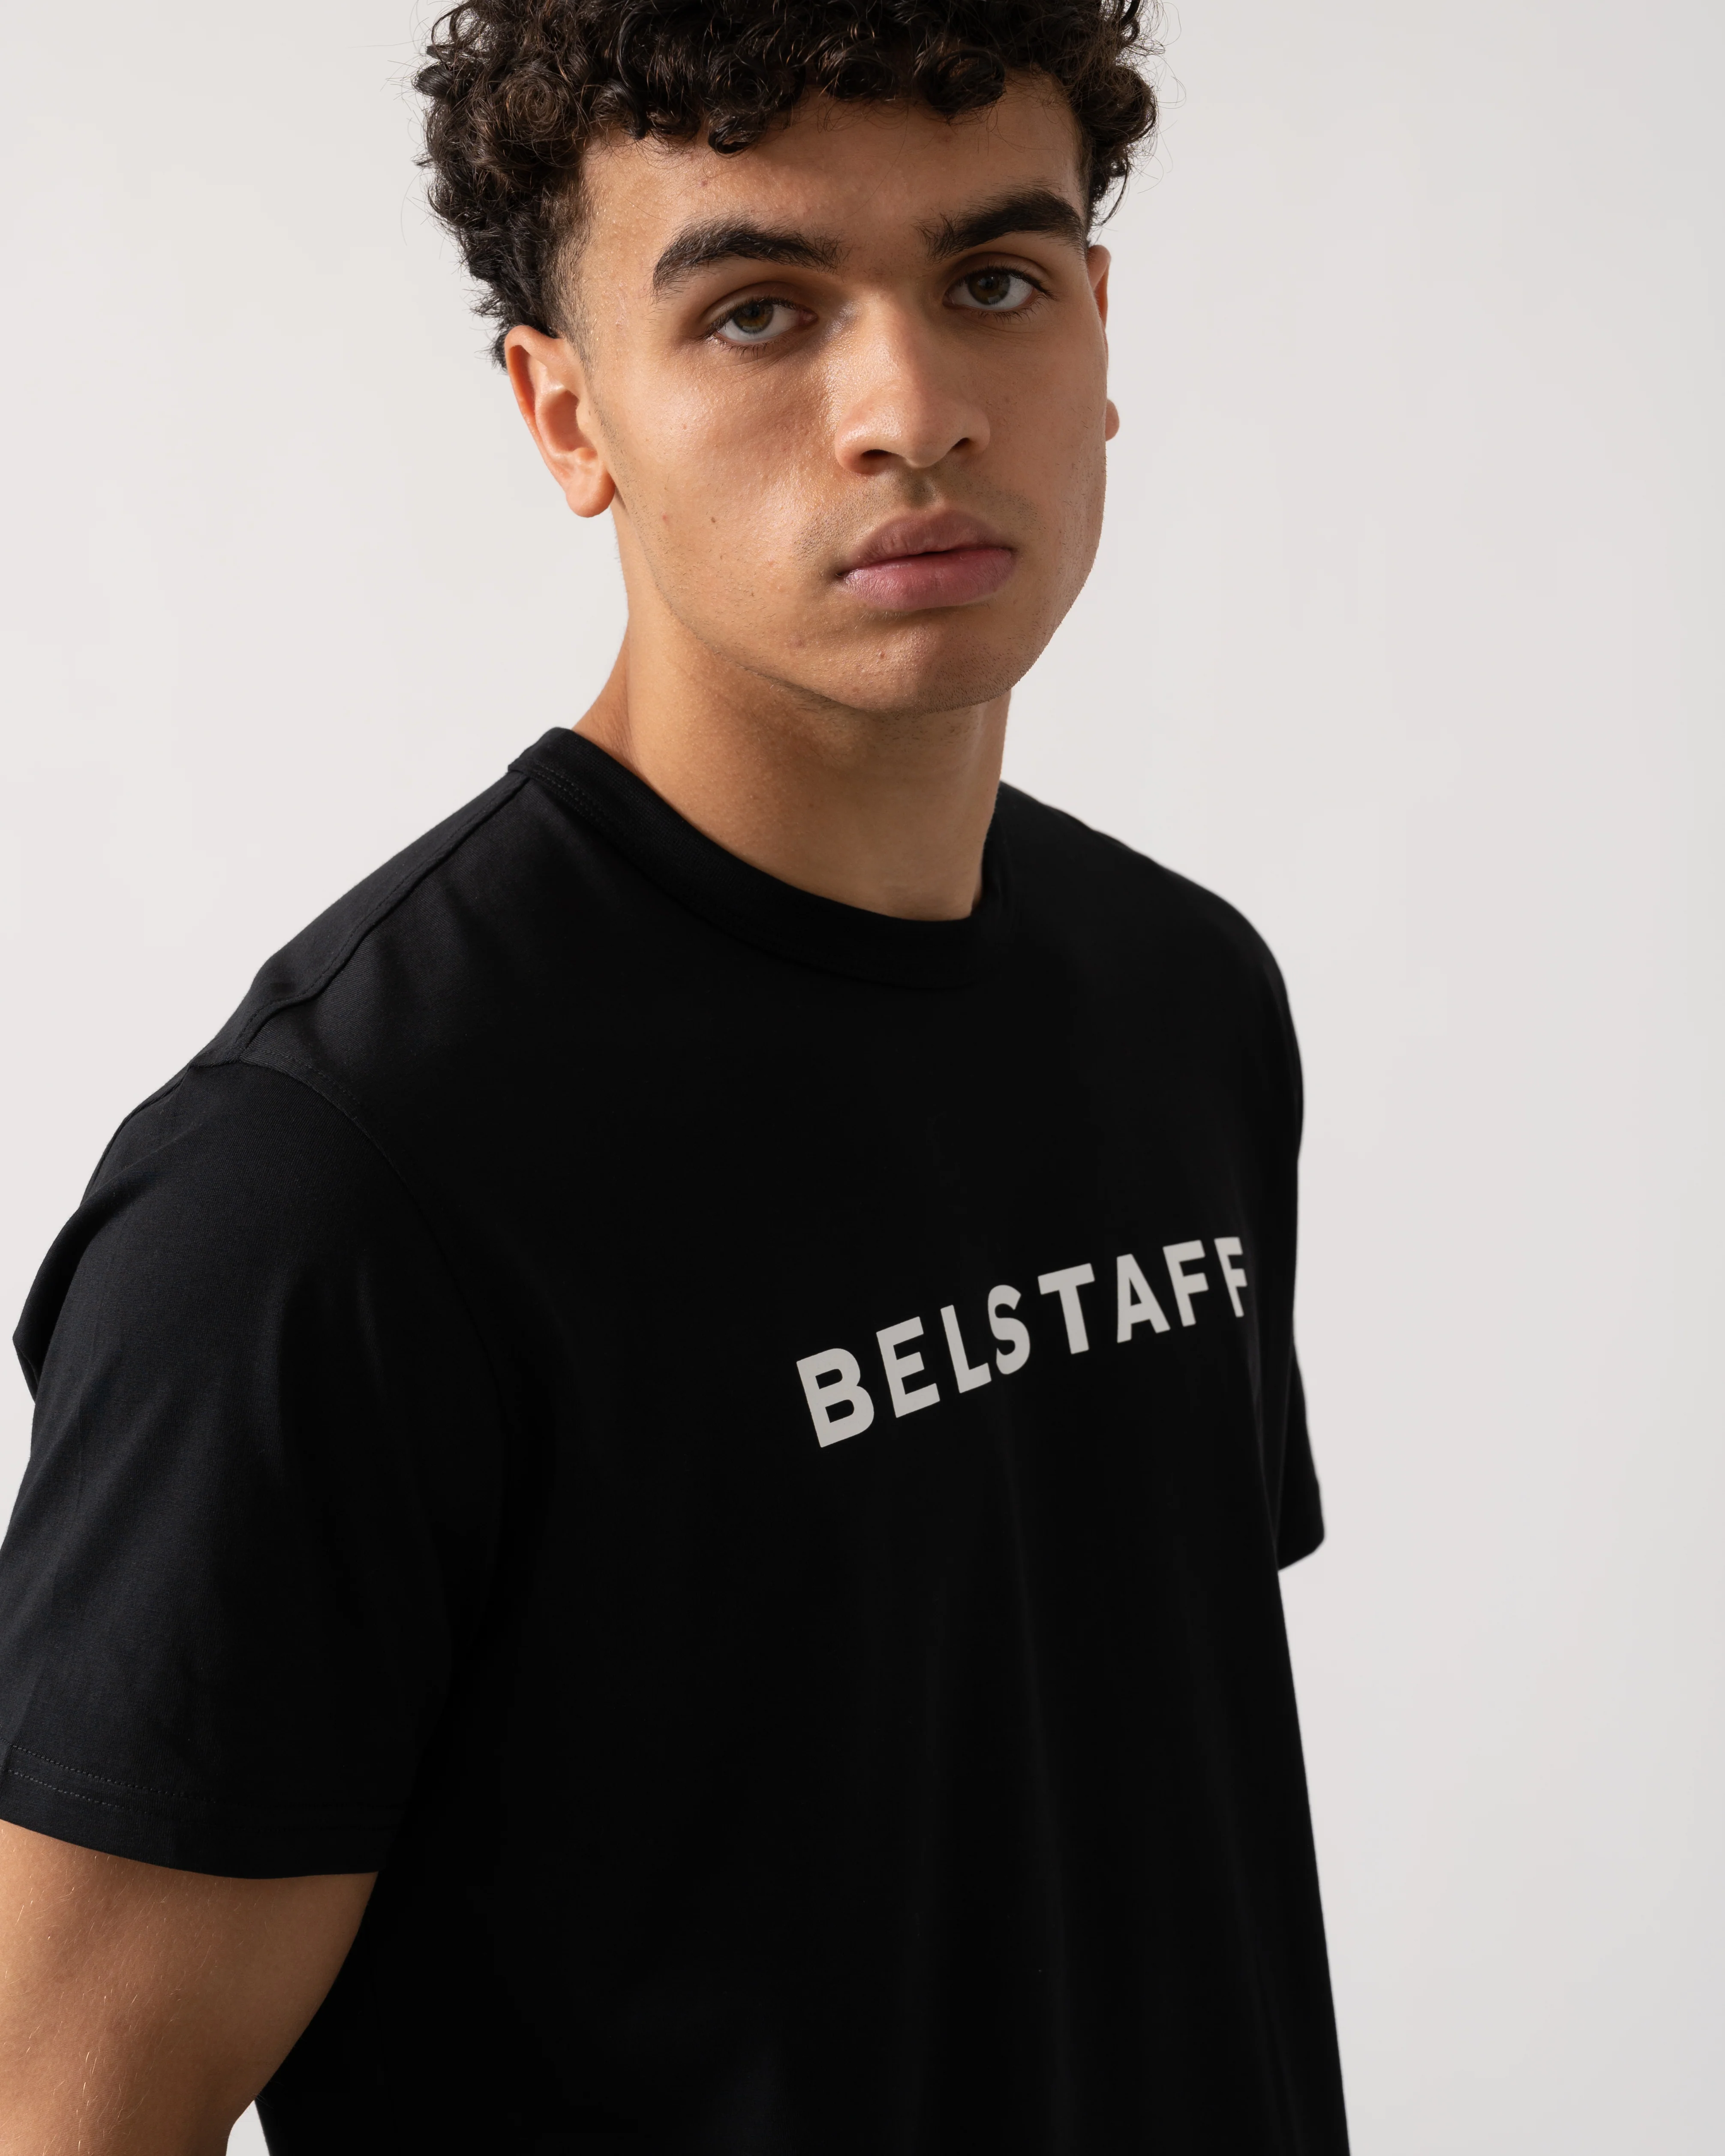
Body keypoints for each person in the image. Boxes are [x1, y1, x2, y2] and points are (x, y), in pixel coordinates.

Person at [0, 2, 1349, 2150]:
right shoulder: (326, 1196)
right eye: (757, 314)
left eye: (992, 282)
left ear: (1097, 330)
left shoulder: (1180, 1001)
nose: (910, 410)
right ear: (568, 416)